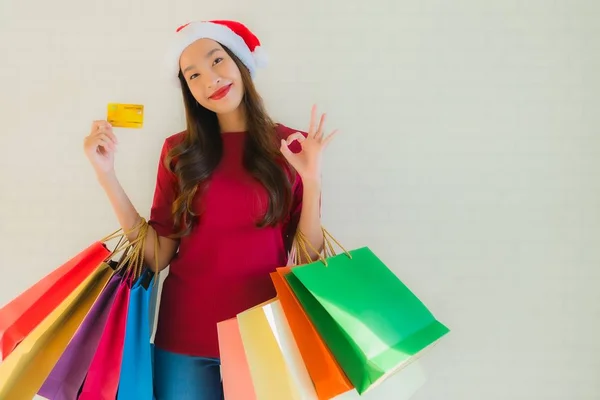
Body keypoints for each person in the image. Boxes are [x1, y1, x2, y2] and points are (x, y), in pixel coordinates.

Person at [83, 19, 338, 399]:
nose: (210, 81)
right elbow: (156, 255)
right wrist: (106, 176)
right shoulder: (177, 151)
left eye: (217, 61)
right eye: (194, 75)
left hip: (265, 334)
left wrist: (313, 180)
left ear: (241, 64)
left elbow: (311, 259)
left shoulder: (290, 146)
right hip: (183, 336)